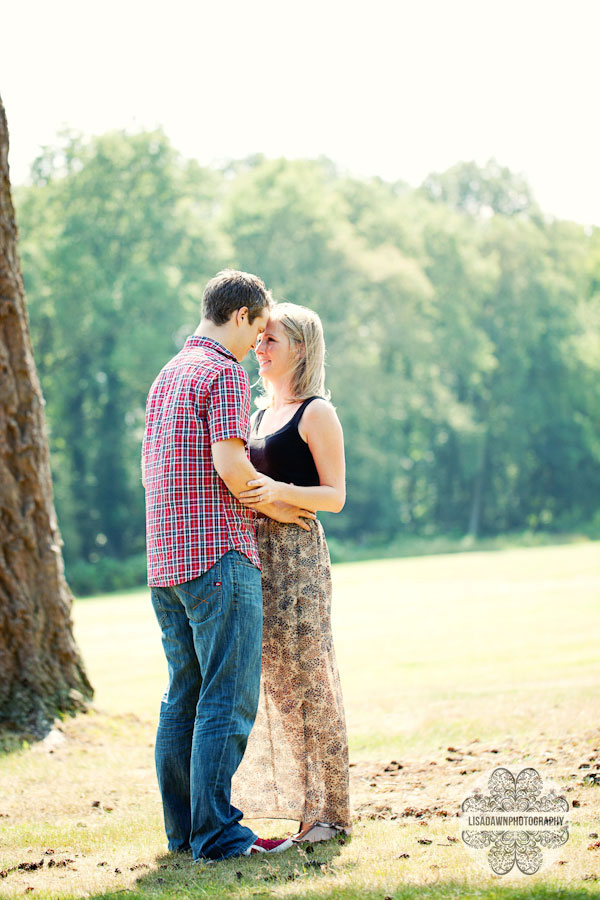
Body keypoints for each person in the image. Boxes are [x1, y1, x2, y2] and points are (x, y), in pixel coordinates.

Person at [142, 271, 315, 861]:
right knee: (228, 698)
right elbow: (235, 472)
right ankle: (217, 837)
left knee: (182, 698)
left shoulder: (168, 375)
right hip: (217, 557)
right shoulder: (221, 372)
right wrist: (288, 508)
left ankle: (185, 834)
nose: (257, 345)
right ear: (240, 316)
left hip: (166, 563)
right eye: (259, 330)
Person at [231, 302, 351, 842]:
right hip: (255, 555)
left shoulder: (316, 412)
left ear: (300, 348)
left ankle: (328, 815)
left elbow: (336, 496)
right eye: (258, 339)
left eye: (271, 340)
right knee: (278, 687)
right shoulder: (257, 414)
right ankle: (303, 809)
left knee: (310, 682)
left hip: (298, 557)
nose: (259, 348)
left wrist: (281, 493)